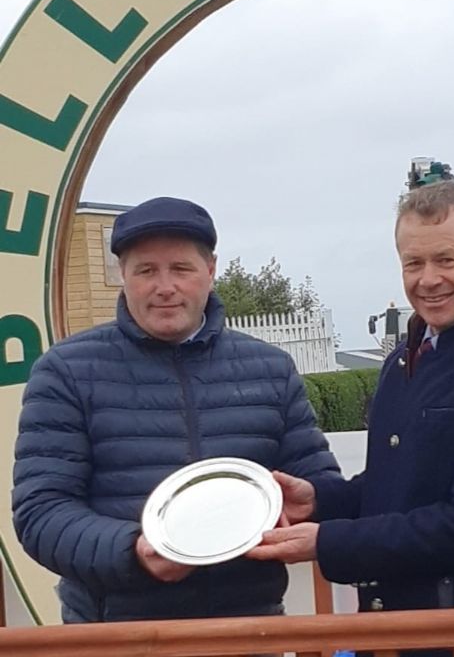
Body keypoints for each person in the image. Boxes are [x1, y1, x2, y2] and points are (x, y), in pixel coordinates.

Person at [249, 181, 454, 654]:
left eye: (446, 260)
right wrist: (321, 501)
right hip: (402, 632)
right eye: (413, 263)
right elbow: (401, 482)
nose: (428, 279)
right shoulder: (408, 355)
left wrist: (329, 541)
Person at [12, 196, 340, 623]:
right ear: (122, 276)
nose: (164, 286)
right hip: (116, 635)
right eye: (145, 270)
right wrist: (134, 551)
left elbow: (317, 487)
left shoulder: (270, 369)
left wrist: (310, 504)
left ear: (210, 271)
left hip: (248, 629)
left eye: (181, 269)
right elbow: (42, 514)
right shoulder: (66, 371)